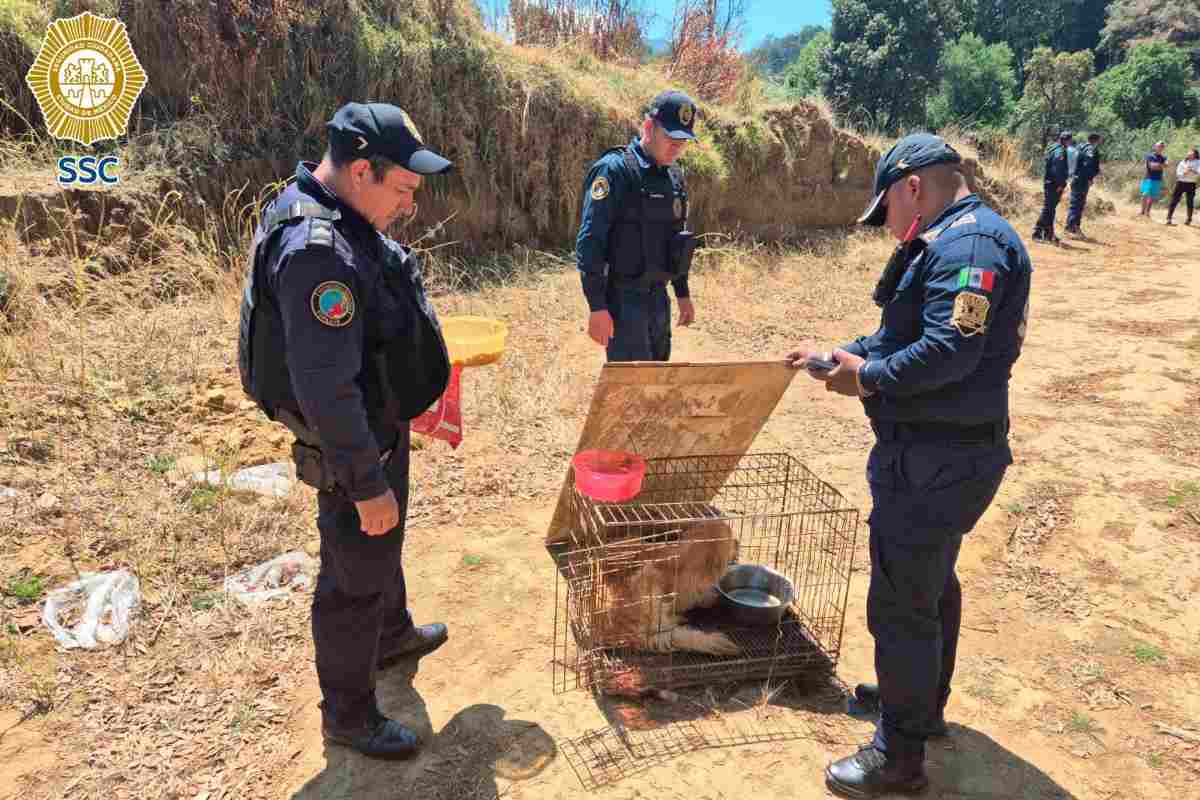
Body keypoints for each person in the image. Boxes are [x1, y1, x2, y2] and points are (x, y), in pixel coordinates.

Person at [784, 133, 1031, 798]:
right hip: (935, 454)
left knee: (901, 603)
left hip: (937, 458)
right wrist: (839, 354)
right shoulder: (950, 239)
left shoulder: (969, 246)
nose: (886, 225)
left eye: (886, 209)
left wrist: (867, 379)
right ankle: (920, 706)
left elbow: (949, 351)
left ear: (912, 187)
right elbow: (900, 337)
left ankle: (898, 756)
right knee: (928, 584)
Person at [236, 102, 455, 760]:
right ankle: (350, 716)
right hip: (351, 439)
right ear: (363, 170)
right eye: (404, 190)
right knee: (354, 571)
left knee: (382, 548)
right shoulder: (317, 252)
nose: (409, 205)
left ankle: (390, 637)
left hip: (376, 420)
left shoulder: (336, 211)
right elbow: (325, 388)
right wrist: (364, 483)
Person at [575, 89, 700, 362]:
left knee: (655, 385)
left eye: (683, 140)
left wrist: (682, 293)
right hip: (624, 301)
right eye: (671, 137)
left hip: (658, 299)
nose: (677, 147)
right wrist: (597, 307)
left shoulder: (674, 177)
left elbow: (676, 242)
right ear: (648, 127)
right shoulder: (615, 170)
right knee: (630, 391)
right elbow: (590, 242)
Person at [1033, 130, 1072, 242]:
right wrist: (1060, 184)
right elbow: (1057, 169)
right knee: (1048, 209)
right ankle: (1037, 232)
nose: (1070, 143)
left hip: (1049, 182)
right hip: (1054, 184)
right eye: (1069, 141)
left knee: (1051, 209)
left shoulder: (1053, 147)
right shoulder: (1060, 151)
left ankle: (1049, 234)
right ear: (1066, 140)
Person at [1065, 133, 1103, 236]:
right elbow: (1087, 165)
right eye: (1100, 139)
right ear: (1096, 140)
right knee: (1077, 204)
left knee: (1077, 204)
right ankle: (1071, 228)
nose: (1101, 141)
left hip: (1075, 178)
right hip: (1082, 180)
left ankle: (1074, 227)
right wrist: (1090, 178)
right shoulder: (1090, 149)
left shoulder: (1080, 146)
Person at [1166, 147, 1199, 226]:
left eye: (1191, 153)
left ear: (1195, 154)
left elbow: (1199, 172)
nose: (1189, 154)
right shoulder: (1183, 162)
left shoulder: (1198, 162)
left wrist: (1192, 170)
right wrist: (1185, 172)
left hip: (1191, 183)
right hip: (1181, 183)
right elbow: (1178, 173)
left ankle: (1189, 219)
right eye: (1188, 152)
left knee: (1190, 202)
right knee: (1174, 200)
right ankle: (1169, 218)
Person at [1141, 141, 1168, 217]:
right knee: (1144, 194)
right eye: (1159, 146)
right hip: (1148, 177)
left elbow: (1167, 165)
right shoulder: (1150, 156)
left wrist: (1158, 165)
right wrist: (1161, 165)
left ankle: (1147, 213)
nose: (1160, 148)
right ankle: (1142, 212)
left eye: (1162, 147)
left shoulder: (1164, 157)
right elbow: (1151, 167)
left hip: (1157, 178)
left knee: (1152, 196)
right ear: (1155, 147)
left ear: (1163, 148)